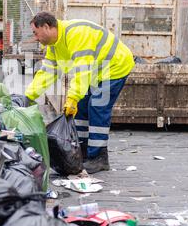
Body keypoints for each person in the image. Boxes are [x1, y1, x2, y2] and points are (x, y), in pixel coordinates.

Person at [25, 12, 135, 174]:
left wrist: (72, 97)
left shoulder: (75, 34)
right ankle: (81, 152)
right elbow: (47, 73)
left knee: (97, 106)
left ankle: (99, 158)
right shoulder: (54, 47)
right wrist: (29, 96)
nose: (35, 37)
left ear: (46, 27)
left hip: (115, 66)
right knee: (81, 107)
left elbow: (81, 71)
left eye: (36, 32)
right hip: (96, 72)